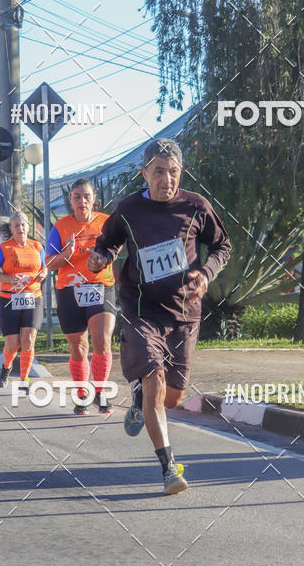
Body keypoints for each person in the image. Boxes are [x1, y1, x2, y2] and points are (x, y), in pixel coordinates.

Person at [88, 138, 231, 495]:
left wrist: (206, 273)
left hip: (185, 311)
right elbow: (107, 243)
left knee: (173, 397)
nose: (166, 179)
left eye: (173, 172)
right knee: (154, 379)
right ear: (144, 173)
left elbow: (221, 246)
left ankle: (138, 401)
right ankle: (168, 468)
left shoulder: (196, 206)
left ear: (180, 173)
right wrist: (100, 258)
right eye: (158, 172)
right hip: (141, 309)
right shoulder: (129, 209)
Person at [46, 179, 117, 416]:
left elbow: (118, 249)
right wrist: (67, 253)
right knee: (78, 346)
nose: (82, 201)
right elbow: (48, 263)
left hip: (101, 285)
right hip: (69, 290)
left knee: (102, 339)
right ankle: (82, 393)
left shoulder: (106, 222)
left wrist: (101, 256)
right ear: (71, 200)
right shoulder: (61, 228)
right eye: (77, 196)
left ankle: (100, 391)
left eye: (86, 196)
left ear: (94, 198)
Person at [0, 211, 47, 391]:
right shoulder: (4, 248)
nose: (20, 228)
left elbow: (44, 268)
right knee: (12, 345)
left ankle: (24, 379)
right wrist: (8, 279)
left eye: (23, 225)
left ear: (28, 227)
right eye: (16, 226)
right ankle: (6, 368)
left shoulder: (37, 246)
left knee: (29, 338)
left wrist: (42, 275)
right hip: (9, 299)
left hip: (33, 298)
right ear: (11, 229)